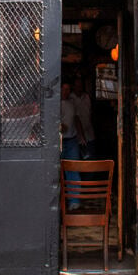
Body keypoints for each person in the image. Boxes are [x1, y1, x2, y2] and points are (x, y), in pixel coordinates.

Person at [60, 81, 85, 210]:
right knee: (57, 171)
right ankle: (58, 203)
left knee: (73, 169)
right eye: (63, 89)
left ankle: (74, 201)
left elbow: (76, 119)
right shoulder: (54, 103)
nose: (66, 92)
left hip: (72, 140)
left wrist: (81, 136)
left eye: (68, 89)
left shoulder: (71, 103)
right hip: (58, 141)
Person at [71, 77, 96, 160]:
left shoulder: (87, 97)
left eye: (81, 85)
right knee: (77, 162)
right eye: (77, 85)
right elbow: (75, 117)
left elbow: (90, 113)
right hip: (76, 137)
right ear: (73, 86)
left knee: (90, 162)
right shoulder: (70, 98)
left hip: (89, 134)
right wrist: (81, 135)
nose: (79, 87)